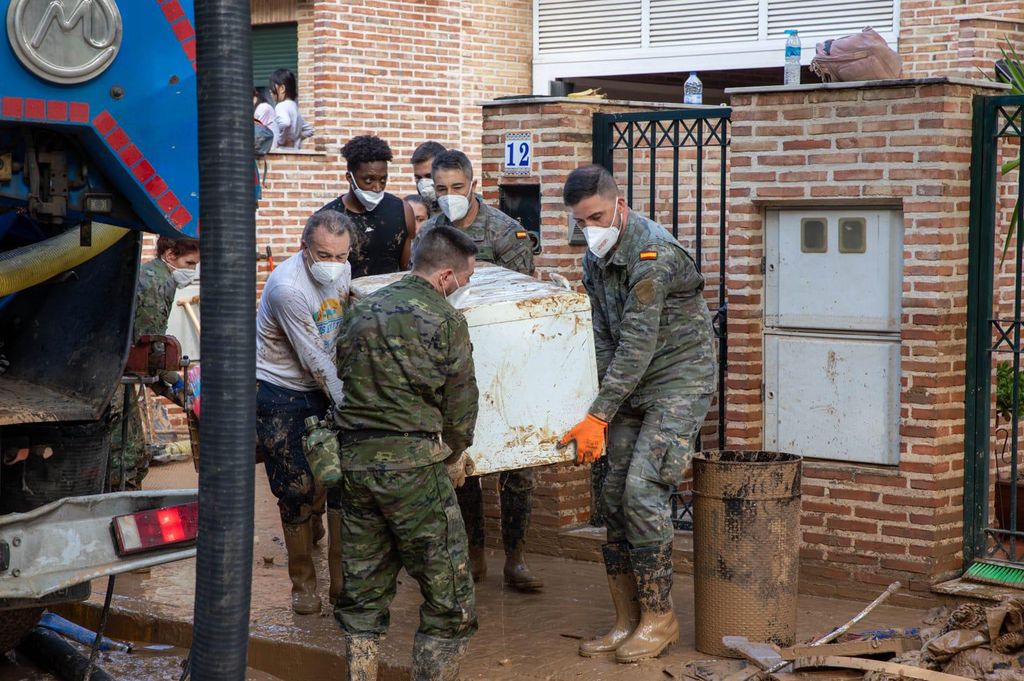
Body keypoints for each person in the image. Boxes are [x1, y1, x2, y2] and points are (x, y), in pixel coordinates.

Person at [559, 165, 715, 663]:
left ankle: (659, 618)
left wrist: (598, 413)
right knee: (612, 493)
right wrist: (604, 405)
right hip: (631, 383)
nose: (591, 230)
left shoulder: (654, 256)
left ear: (619, 204)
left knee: (643, 489)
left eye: (598, 217)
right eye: (582, 222)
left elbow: (638, 344)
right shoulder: (594, 255)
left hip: (677, 378)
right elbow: (604, 335)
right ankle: (626, 619)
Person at [334, 226, 479, 681]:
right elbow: (461, 405)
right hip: (415, 471)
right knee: (449, 596)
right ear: (447, 276)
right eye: (466, 279)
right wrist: (455, 453)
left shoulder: (361, 308)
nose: (464, 288)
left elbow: (342, 373)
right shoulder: (445, 320)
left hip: (355, 467)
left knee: (362, 593)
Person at [416, 149, 540, 591]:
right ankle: (473, 553)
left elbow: (525, 296)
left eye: (456, 187)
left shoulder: (506, 233)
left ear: (473, 185)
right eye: (440, 188)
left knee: (518, 463)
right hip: (454, 362)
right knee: (462, 459)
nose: (448, 196)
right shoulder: (430, 232)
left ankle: (517, 556)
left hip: (506, 361)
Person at [255, 210, 352, 615]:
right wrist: (352, 407)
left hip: (326, 383)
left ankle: (342, 587)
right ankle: (303, 583)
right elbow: (313, 357)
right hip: (282, 389)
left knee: (340, 484)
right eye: (324, 254)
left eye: (341, 256)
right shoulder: (287, 288)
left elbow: (345, 322)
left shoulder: (344, 271)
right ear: (304, 248)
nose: (332, 264)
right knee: (296, 489)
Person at [108, 236, 199, 491]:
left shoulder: (151, 274)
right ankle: (119, 508)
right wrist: (176, 382)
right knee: (128, 455)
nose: (192, 271)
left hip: (117, 368)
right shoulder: (158, 282)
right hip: (113, 371)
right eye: (189, 263)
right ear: (170, 255)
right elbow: (150, 346)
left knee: (132, 452)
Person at [318, 135, 416, 278]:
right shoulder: (327, 218)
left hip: (391, 296)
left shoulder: (402, 210)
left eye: (383, 180)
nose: (377, 188)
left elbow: (407, 270)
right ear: (350, 178)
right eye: (368, 180)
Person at [269, 68, 314, 150]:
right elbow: (310, 130)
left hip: (282, 153)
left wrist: (281, 140)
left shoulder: (280, 106)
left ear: (282, 88)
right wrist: (296, 138)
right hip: (295, 153)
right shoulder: (294, 107)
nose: (270, 90)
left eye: (272, 86)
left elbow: (285, 122)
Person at [411, 141, 447, 217]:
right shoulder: (416, 213)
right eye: (418, 178)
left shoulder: (468, 209)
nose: (423, 183)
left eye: (429, 176)